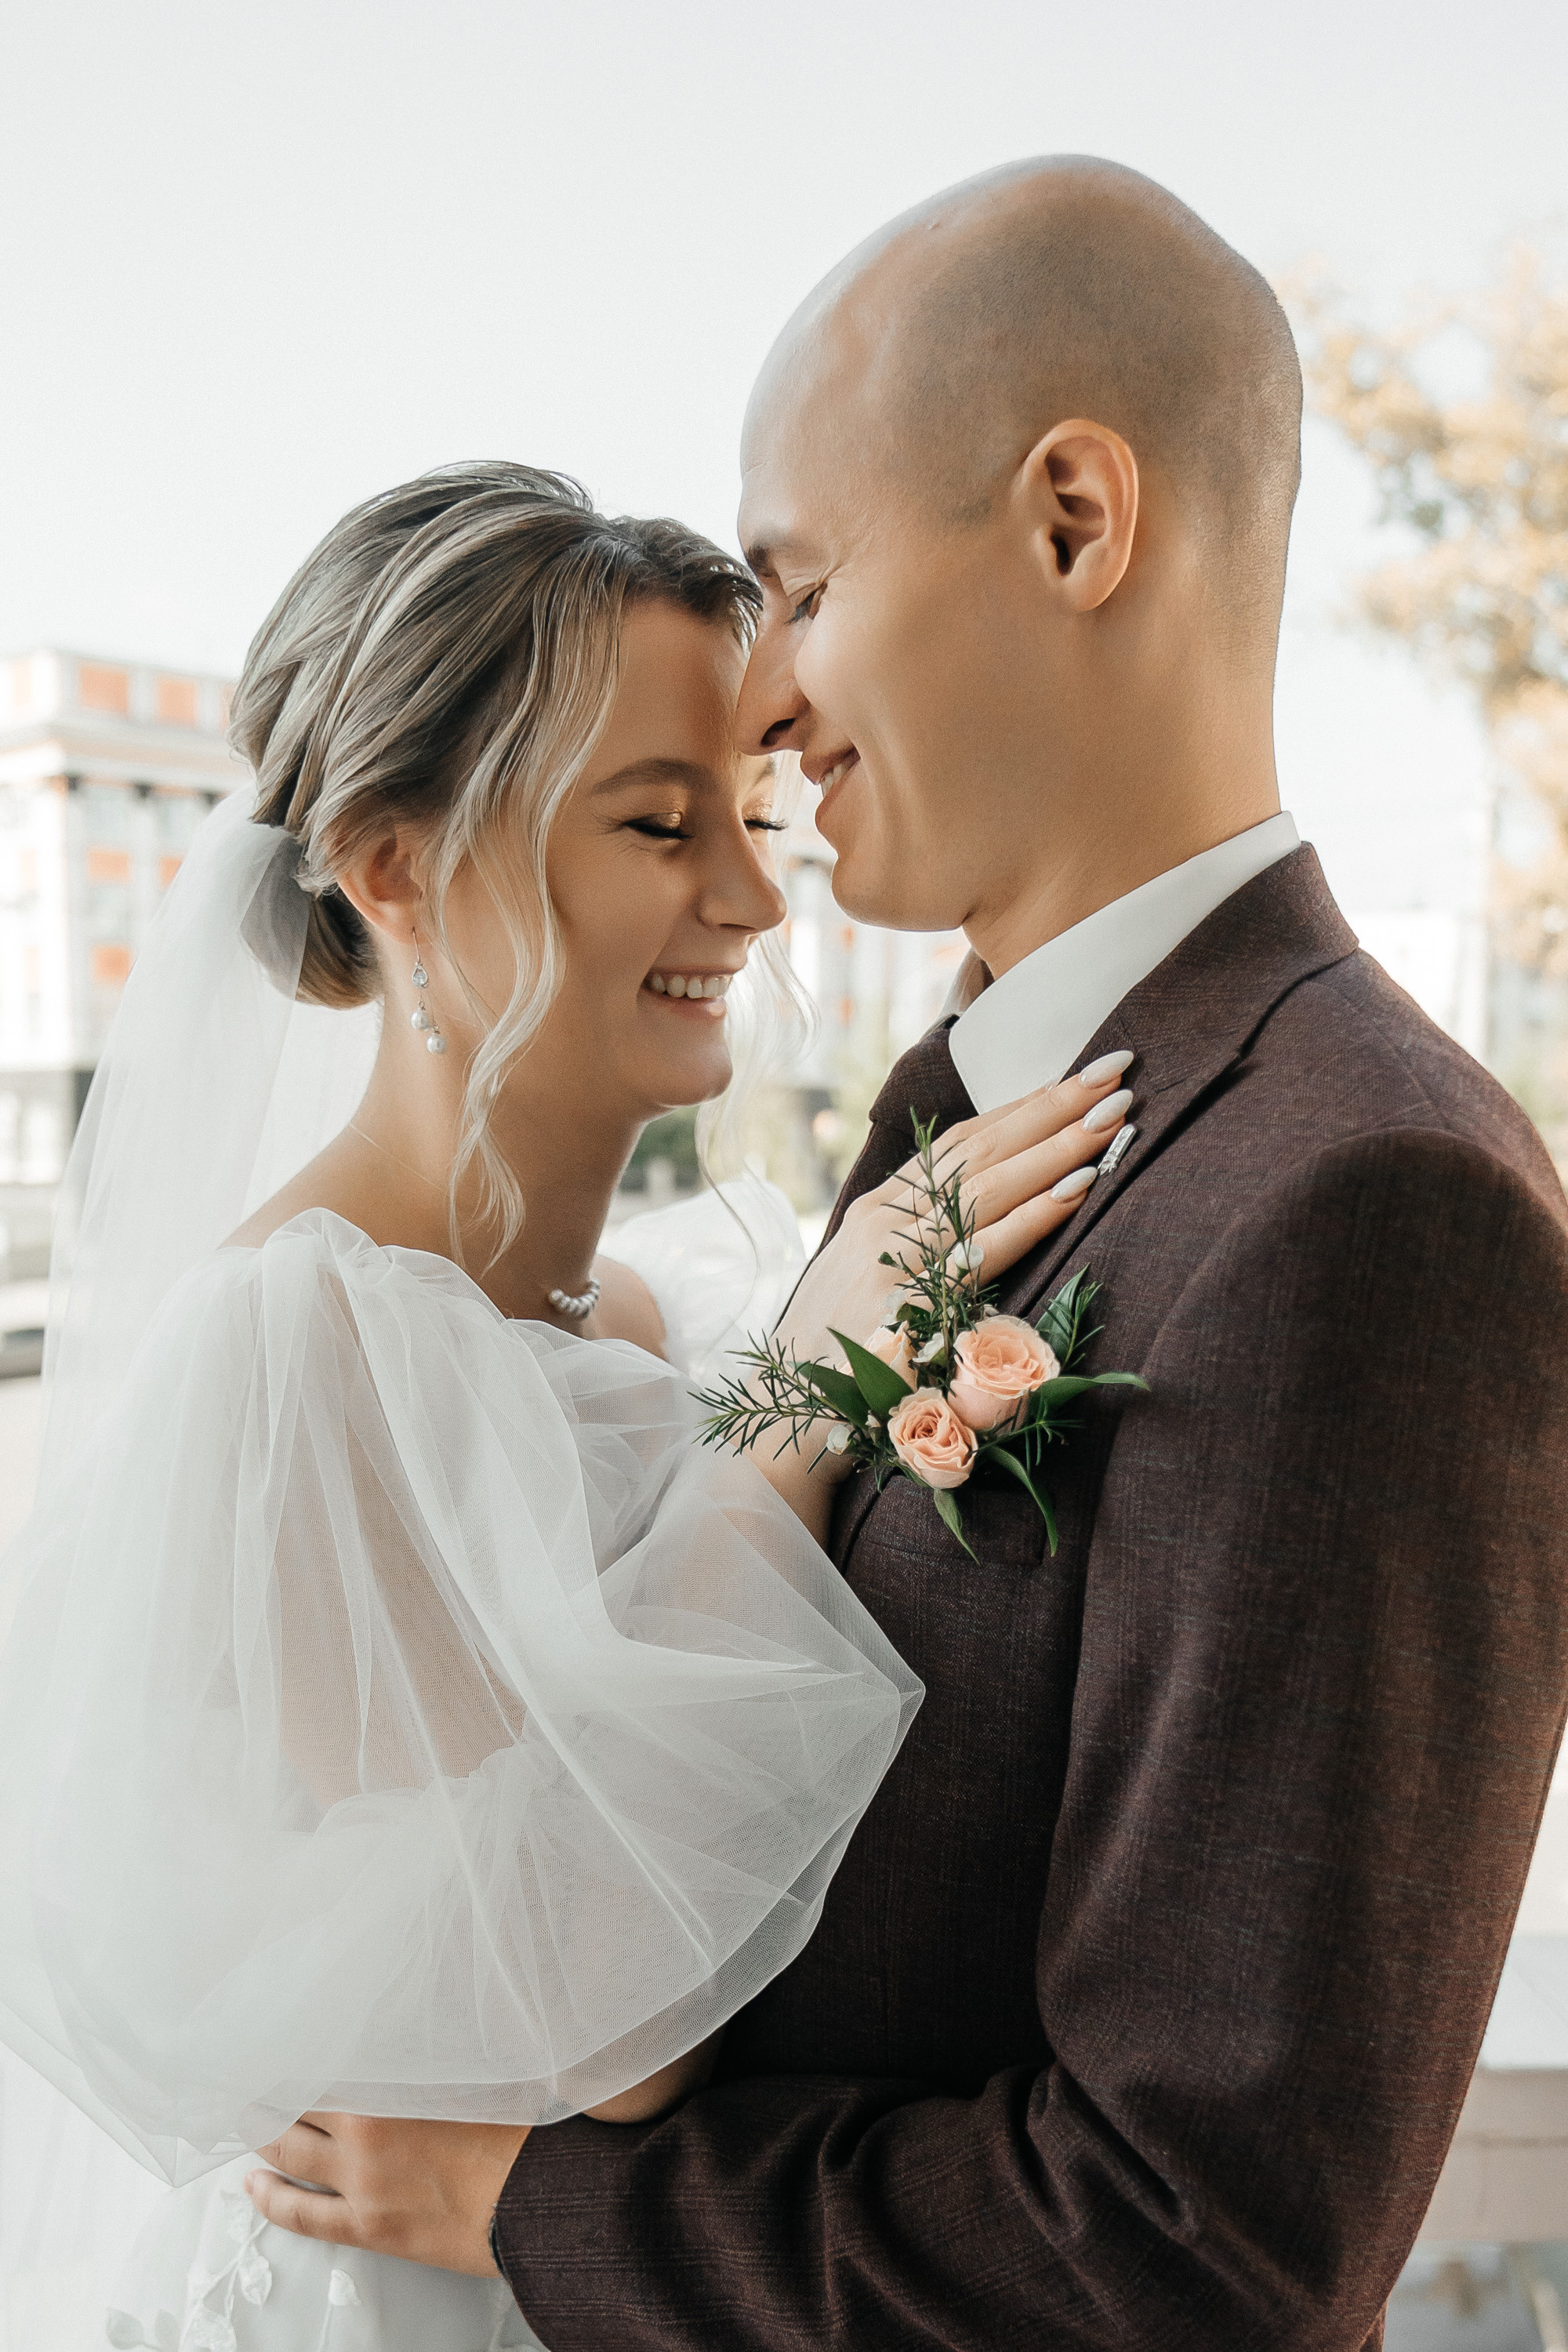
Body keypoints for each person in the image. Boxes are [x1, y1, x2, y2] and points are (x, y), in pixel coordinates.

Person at [258, 163, 1568, 2349]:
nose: (763, 701)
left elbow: (1203, 2252)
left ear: (1072, 522)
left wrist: (542, 2208)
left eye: (800, 584)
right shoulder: (953, 1127)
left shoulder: (1366, 1201)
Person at [0, 462, 1126, 2350]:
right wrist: (803, 1408)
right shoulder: (299, 1352)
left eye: (754, 815)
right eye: (660, 823)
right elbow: (599, 2013)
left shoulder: (652, 1312)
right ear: (393, 870)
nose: (754, 896)